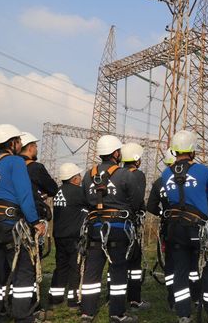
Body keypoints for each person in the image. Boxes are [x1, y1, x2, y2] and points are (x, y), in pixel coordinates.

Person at [161, 130, 208, 323]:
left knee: (180, 272)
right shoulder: (202, 171)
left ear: (174, 150)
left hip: (175, 229)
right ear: (192, 150)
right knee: (206, 270)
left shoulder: (166, 173)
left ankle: (183, 314)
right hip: (197, 228)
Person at [0, 124, 47, 323]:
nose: (20, 144)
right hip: (11, 227)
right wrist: (35, 222)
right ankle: (23, 316)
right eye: (18, 140)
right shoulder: (16, 162)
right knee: (23, 272)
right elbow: (24, 195)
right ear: (12, 143)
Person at [79, 135, 144, 322]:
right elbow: (137, 200)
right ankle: (117, 313)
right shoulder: (125, 175)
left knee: (92, 271)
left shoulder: (88, 174)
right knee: (118, 270)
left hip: (95, 228)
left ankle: (87, 312)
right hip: (118, 228)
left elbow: (85, 200)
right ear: (116, 153)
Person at [48, 163, 85, 310]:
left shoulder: (58, 191)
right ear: (74, 179)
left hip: (59, 235)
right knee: (75, 267)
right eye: (79, 176)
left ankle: (55, 299)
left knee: (60, 267)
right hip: (74, 236)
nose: (81, 179)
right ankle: (73, 300)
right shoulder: (78, 192)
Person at [120, 142, 150, 311]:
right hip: (130, 224)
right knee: (134, 263)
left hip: (116, 224)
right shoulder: (137, 175)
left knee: (117, 263)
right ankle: (134, 299)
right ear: (137, 160)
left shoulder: (116, 174)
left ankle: (114, 296)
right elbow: (137, 200)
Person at [147, 150, 177, 310]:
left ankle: (172, 299)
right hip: (189, 227)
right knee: (191, 262)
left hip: (169, 227)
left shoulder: (159, 182)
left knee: (170, 264)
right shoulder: (186, 179)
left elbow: (150, 206)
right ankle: (193, 297)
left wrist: (162, 213)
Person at [19, 131, 58, 225]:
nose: (36, 149)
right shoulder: (36, 167)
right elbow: (53, 189)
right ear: (30, 148)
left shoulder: (11, 165)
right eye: (35, 146)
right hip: (32, 215)